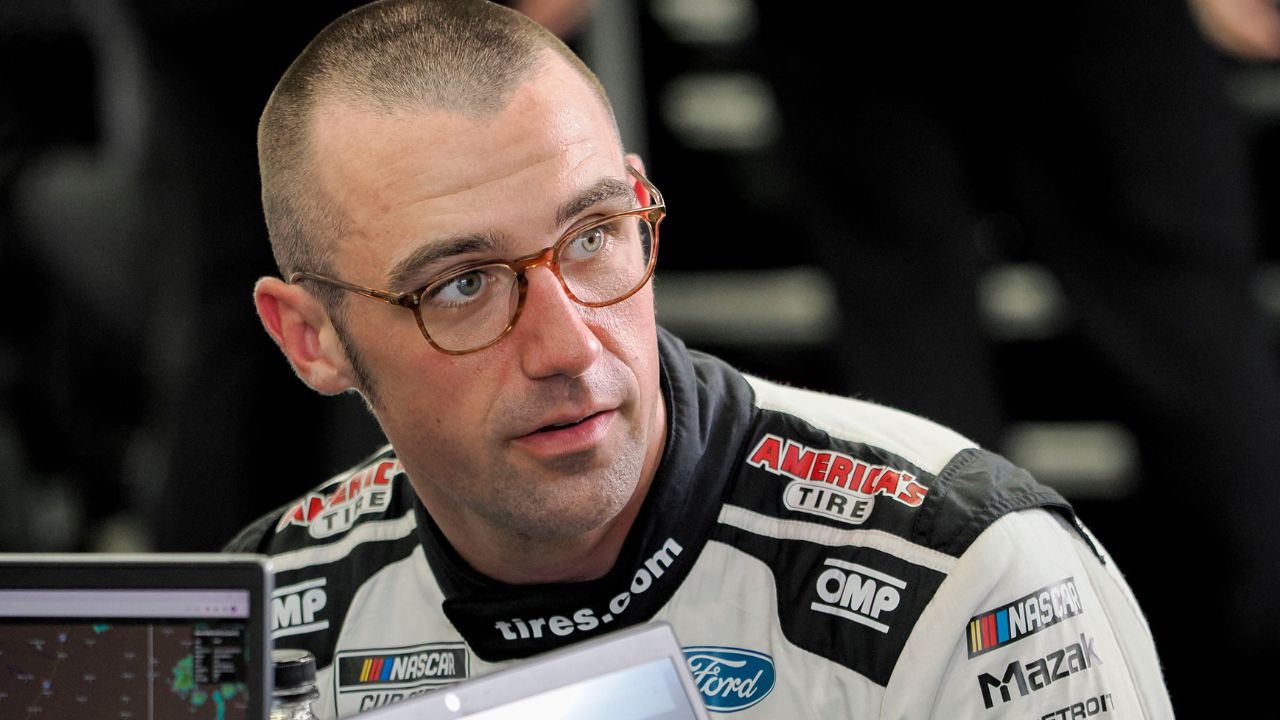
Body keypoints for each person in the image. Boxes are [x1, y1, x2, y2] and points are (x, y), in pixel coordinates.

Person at [225, 1, 1173, 717]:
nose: (567, 345)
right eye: (461, 286)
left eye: (594, 236)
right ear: (310, 339)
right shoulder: (253, 619)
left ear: (641, 204)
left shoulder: (973, 577)